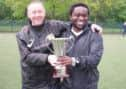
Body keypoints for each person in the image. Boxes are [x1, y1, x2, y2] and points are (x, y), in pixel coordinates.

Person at [16, 1, 103, 89]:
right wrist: (48, 58)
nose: (37, 15)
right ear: (28, 14)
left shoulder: (55, 25)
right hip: (32, 82)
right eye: (34, 12)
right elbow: (26, 57)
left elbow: (75, 22)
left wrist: (90, 24)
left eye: (40, 11)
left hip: (52, 83)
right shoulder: (22, 34)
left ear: (44, 13)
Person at [55, 3, 104, 89]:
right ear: (70, 16)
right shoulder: (62, 33)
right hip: (65, 85)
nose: (81, 18)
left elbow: (94, 59)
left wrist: (73, 60)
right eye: (77, 15)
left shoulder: (95, 35)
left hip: (87, 86)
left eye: (84, 16)